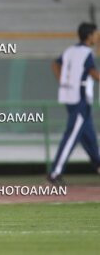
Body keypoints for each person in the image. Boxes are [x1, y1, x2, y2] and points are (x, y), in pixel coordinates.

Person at [48, 22, 100, 186]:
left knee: (89, 137)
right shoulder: (87, 53)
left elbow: (55, 64)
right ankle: (55, 172)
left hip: (70, 96)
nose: (97, 36)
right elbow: (92, 72)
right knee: (71, 136)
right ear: (89, 35)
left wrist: (63, 81)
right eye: (95, 34)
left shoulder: (70, 51)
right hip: (80, 100)